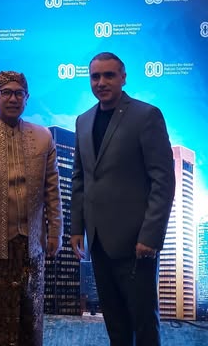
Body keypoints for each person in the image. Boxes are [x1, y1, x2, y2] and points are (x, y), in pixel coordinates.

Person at [70, 52, 176, 346]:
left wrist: (150, 237)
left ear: (123, 78)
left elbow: (163, 180)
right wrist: (77, 227)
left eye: (109, 75)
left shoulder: (146, 116)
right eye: (95, 76)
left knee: (143, 323)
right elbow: (80, 178)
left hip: (136, 243)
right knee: (115, 324)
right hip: (98, 241)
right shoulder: (83, 121)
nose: (101, 82)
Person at [0, 71, 63, 346]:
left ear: (27, 98)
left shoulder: (43, 137)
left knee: (30, 313)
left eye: (19, 93)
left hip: (33, 243)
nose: (13, 98)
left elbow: (52, 189)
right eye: (6, 92)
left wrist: (55, 231)